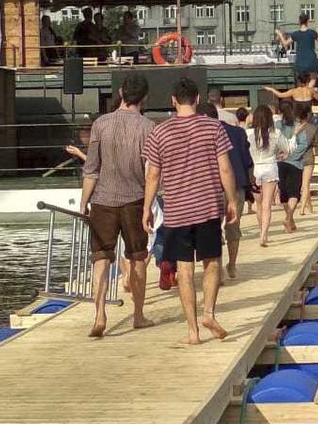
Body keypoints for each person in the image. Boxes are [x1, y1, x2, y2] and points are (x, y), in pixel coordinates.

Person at [142, 76, 238, 345]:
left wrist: (147, 207)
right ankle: (209, 313)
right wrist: (231, 200)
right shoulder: (214, 128)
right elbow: (225, 168)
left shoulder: (159, 132)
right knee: (211, 263)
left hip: (176, 211)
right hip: (207, 207)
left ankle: (193, 332)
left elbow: (153, 175)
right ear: (198, 99)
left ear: (173, 101)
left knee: (184, 270)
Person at [78, 73, 156, 338]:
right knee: (138, 258)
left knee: (100, 259)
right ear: (144, 97)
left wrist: (83, 203)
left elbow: (91, 170)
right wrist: (149, 206)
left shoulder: (100, 124)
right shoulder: (148, 127)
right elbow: (152, 172)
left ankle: (99, 314)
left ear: (121, 93)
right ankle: (138, 315)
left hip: (102, 201)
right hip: (134, 200)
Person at [199, 102, 252, 280]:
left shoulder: (202, 134)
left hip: (210, 187)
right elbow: (247, 161)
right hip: (236, 185)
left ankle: (218, 269)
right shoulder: (237, 132)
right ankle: (233, 264)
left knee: (214, 228)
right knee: (233, 228)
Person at [247, 105, 284, 247]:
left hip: (255, 169)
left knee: (259, 204)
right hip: (270, 168)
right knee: (267, 204)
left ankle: (260, 229)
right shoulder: (276, 133)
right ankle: (264, 235)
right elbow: (286, 148)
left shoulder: (249, 134)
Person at [275, 99, 311, 234]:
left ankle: (290, 222)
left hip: (279, 162)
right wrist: (292, 156)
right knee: (294, 192)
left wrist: (280, 155)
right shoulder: (298, 125)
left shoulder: (277, 125)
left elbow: (274, 141)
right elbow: (303, 145)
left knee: (284, 192)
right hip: (295, 163)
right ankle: (289, 218)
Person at [276, 13, 318, 80]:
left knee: (301, 81)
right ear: (307, 21)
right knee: (313, 79)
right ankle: (308, 89)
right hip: (311, 60)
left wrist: (280, 34)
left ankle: (304, 89)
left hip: (300, 61)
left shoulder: (296, 34)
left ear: (299, 22)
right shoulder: (312, 32)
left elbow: (285, 44)